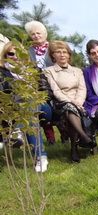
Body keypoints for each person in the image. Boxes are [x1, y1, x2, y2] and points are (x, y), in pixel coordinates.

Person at [44, 41, 95, 163]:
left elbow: (82, 88)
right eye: (58, 52)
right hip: (60, 102)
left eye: (64, 52)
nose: (62, 55)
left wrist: (78, 101)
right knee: (68, 108)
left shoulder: (77, 71)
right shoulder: (48, 71)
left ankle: (74, 148)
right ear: (53, 55)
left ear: (68, 55)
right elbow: (55, 91)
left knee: (71, 111)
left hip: (79, 102)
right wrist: (71, 101)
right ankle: (83, 137)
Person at [1, 41, 49, 172]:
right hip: (16, 109)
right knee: (29, 115)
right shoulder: (2, 73)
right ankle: (41, 157)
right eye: (11, 54)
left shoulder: (34, 70)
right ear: (5, 55)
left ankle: (17, 132)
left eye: (19, 53)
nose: (15, 57)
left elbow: (46, 91)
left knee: (30, 104)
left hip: (43, 107)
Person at [24, 20, 56, 144]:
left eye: (38, 33)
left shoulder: (53, 48)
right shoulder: (27, 51)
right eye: (33, 34)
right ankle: (50, 137)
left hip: (53, 80)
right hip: (35, 83)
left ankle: (63, 133)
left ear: (44, 34)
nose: (36, 36)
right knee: (39, 106)